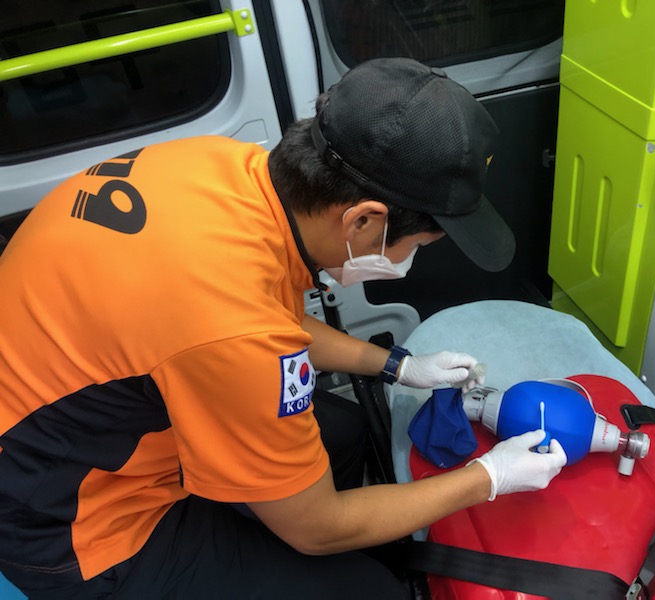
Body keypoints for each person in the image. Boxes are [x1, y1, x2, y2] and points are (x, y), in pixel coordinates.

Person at [0, 57, 567, 599]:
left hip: (91, 403)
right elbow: (316, 525)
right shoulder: (233, 326)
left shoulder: (222, 166)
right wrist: (488, 477)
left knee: (343, 432)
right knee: (370, 593)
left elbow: (260, 319)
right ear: (362, 220)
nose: (409, 260)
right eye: (417, 244)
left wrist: (399, 366)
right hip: (69, 514)